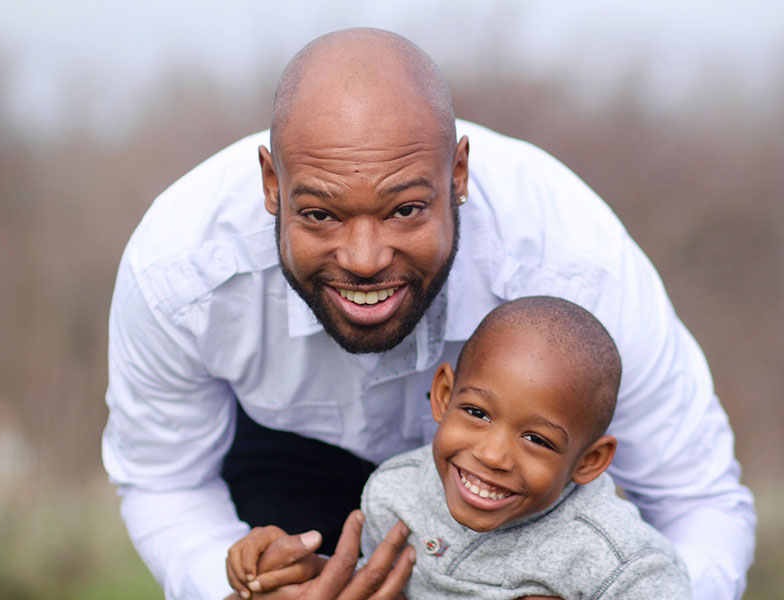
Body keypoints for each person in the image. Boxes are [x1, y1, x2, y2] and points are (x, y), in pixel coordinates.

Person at [102, 27, 755, 600]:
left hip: (533, 502)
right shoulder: (179, 271)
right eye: (322, 214)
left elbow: (696, 500)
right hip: (283, 460)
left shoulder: (577, 262)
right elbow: (164, 480)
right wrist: (231, 589)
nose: (363, 259)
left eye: (405, 209)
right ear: (272, 185)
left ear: (458, 174)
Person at [227, 296, 692, 599]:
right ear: (444, 395)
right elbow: (381, 585)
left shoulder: (617, 561)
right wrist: (301, 571)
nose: (492, 455)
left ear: (589, 461)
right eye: (477, 413)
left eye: (537, 440)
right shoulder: (398, 492)